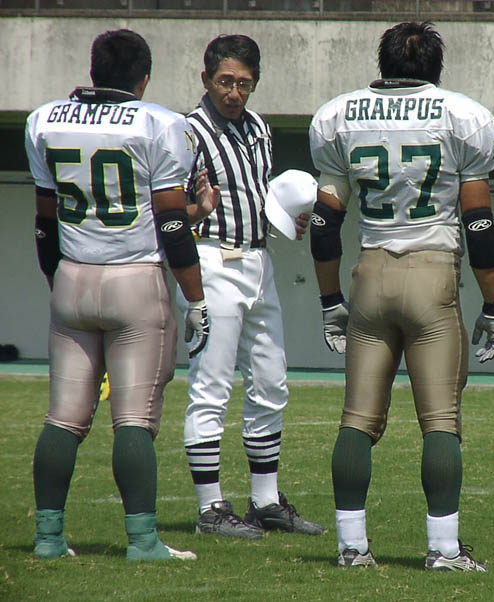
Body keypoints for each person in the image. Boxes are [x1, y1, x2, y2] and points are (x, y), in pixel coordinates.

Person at [309, 21, 494, 571]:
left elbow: (324, 225)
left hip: (371, 272)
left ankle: (352, 547)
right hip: (433, 274)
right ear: (436, 67)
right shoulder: (463, 116)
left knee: (356, 418)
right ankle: (444, 550)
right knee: (440, 420)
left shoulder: (338, 115)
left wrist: (329, 300)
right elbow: (479, 225)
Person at [25, 29, 216, 561]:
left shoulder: (45, 120)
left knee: (63, 417)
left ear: (94, 69)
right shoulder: (160, 124)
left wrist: (58, 285)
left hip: (72, 276)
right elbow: (171, 226)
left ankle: (47, 537)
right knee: (133, 418)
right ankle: (143, 540)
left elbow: (44, 224)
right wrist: (197, 299)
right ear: (144, 78)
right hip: (135, 282)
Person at [181, 34, 324, 539]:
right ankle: (210, 508)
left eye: (244, 83)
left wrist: (287, 215)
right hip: (211, 256)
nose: (234, 92)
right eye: (226, 81)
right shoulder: (188, 132)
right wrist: (196, 209)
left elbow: (257, 191)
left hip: (258, 261)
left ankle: (264, 500)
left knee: (270, 381)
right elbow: (169, 208)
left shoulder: (258, 127)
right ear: (206, 79)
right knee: (211, 384)